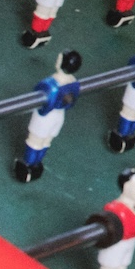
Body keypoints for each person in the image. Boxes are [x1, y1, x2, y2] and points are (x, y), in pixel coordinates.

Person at [13, 49, 82, 182]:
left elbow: (39, 93)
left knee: (34, 141)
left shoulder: (51, 83)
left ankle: (27, 164)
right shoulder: (74, 82)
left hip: (46, 116)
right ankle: (36, 165)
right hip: (59, 116)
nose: (57, 60)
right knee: (46, 141)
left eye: (60, 58)